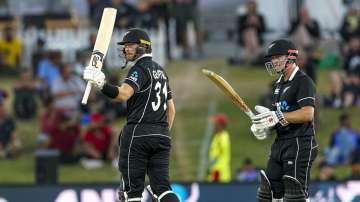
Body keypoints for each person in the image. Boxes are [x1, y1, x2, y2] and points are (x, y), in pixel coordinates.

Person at [83, 28, 179, 202]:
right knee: (163, 190)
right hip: (162, 136)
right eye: (125, 46)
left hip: (137, 135)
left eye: (130, 45)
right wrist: (162, 133)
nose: (126, 49)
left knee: (131, 193)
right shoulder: (161, 72)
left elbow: (123, 94)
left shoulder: (139, 70)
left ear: (143, 46)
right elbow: (171, 109)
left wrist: (101, 83)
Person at [250, 39, 318, 202]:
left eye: (277, 57)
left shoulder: (303, 81)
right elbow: (277, 117)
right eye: (272, 58)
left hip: (300, 142)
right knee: (268, 195)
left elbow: (308, 113)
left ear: (291, 57)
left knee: (296, 196)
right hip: (280, 143)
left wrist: (278, 116)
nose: (273, 61)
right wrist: (266, 127)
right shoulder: (278, 85)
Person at [207, 113, 231, 183]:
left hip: (219, 173)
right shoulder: (217, 136)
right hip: (215, 171)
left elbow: (219, 151)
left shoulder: (223, 136)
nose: (213, 125)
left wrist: (211, 162)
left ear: (221, 125)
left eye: (215, 123)